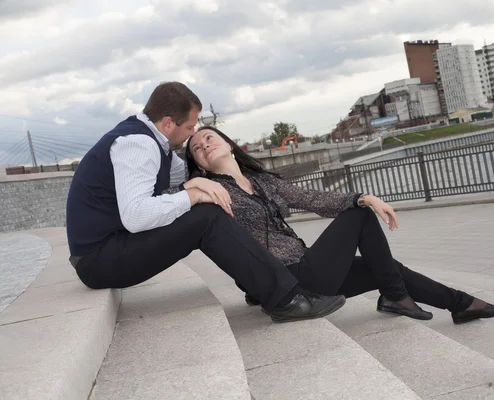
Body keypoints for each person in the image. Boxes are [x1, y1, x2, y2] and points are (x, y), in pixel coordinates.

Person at [65, 81, 346, 323]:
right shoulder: (138, 145)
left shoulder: (157, 146)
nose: (191, 136)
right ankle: (286, 300)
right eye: (189, 128)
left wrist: (209, 175)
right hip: (100, 261)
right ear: (167, 123)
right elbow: (136, 215)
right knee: (206, 217)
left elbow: (190, 172)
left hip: (115, 246)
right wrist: (193, 194)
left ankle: (272, 286)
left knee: (206, 211)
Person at [183, 126, 494, 324]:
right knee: (361, 215)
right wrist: (188, 187)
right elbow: (167, 202)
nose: (204, 146)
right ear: (198, 164)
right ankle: (395, 297)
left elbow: (313, 199)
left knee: (386, 266)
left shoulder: (262, 181)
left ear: (227, 143)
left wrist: (363, 195)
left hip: (310, 270)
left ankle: (460, 304)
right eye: (197, 149)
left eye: (209, 138)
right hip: (289, 281)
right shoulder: (207, 192)